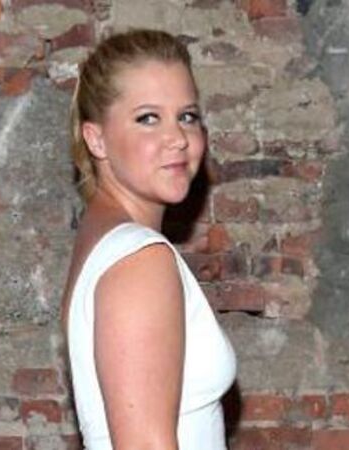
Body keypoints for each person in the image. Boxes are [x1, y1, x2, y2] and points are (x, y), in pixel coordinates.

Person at [61, 29, 237, 450]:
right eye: (148, 118)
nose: (178, 138)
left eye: (187, 116)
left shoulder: (104, 237)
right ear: (96, 138)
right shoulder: (140, 259)